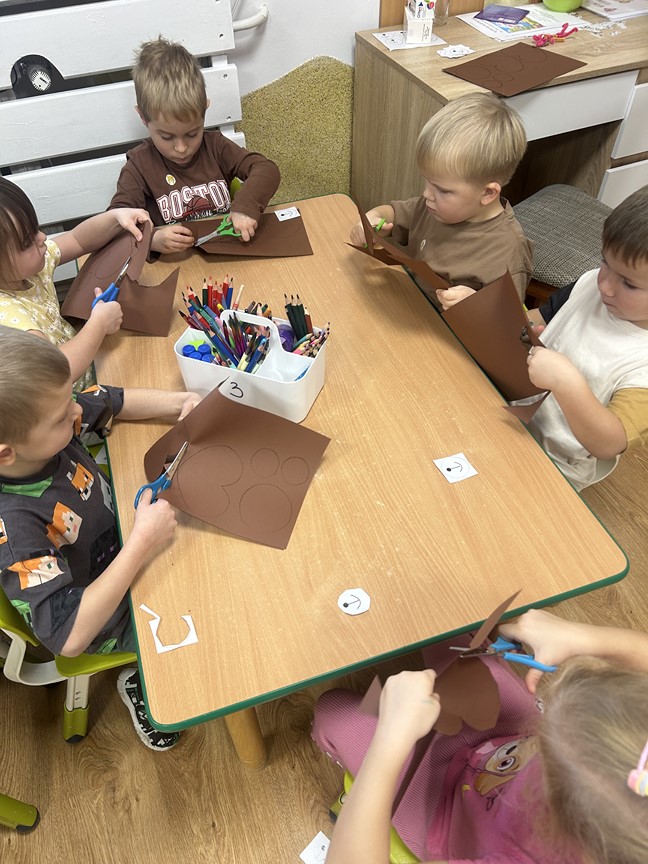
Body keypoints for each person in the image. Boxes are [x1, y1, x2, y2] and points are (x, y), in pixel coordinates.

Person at [313, 608, 648, 864]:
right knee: (449, 622)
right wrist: (584, 637)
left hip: (442, 818)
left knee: (331, 710)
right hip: (498, 746)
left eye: (547, 738)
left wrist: (390, 740)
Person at [0, 326, 201, 750]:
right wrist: (141, 543)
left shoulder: (44, 430)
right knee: (205, 627)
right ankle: (140, 683)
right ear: (5, 453)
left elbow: (108, 399)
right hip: (109, 618)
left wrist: (181, 404)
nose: (76, 411)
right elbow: (69, 638)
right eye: (62, 416)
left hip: (125, 544)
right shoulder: (15, 529)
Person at [349, 93, 532, 309]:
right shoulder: (434, 207)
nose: (427, 194)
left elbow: (509, 322)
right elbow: (393, 213)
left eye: (443, 190)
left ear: (487, 194)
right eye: (427, 181)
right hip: (409, 306)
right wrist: (373, 218)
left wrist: (475, 306)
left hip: (446, 329)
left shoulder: (508, 253)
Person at [520, 185, 648, 492]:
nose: (604, 285)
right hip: (512, 411)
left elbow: (609, 443)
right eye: (604, 262)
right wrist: (489, 310)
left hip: (555, 463)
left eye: (629, 283)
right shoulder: (591, 284)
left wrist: (567, 383)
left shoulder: (642, 364)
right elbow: (537, 320)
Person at [109, 36, 281, 255]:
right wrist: (151, 240)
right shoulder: (139, 165)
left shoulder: (216, 146)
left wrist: (246, 206)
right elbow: (116, 221)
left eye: (192, 133)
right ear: (143, 118)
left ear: (205, 110)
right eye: (167, 137)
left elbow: (266, 169)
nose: (181, 148)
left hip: (226, 253)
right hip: (176, 264)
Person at [0, 176, 148, 392]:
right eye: (26, 242)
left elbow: (78, 240)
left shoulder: (30, 271)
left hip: (94, 365)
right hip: (74, 401)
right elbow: (55, 373)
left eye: (35, 228)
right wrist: (99, 325)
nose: (42, 237)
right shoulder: (7, 318)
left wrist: (116, 217)